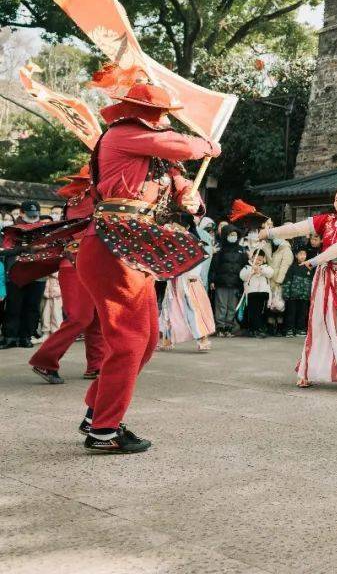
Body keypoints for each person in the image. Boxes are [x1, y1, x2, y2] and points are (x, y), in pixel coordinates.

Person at [78, 81, 219, 454]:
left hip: (135, 249)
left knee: (146, 340)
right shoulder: (124, 134)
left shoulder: (155, 155)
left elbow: (183, 185)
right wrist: (208, 145)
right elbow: (182, 145)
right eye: (158, 114)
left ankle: (97, 412)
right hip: (111, 246)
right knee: (128, 341)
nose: (160, 120)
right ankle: (105, 430)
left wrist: (192, 200)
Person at [261, 185, 337, 389]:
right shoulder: (327, 220)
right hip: (325, 277)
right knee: (318, 322)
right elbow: (297, 228)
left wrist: (315, 260)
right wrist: (270, 232)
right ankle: (308, 371)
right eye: (336, 200)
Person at [28, 166, 105, 383]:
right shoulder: (86, 201)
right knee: (81, 317)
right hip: (75, 264)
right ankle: (45, 361)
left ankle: (96, 366)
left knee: (96, 318)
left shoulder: (88, 199)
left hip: (93, 265)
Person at [159, 217, 215, 352]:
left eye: (177, 227)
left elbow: (199, 262)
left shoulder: (194, 242)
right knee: (169, 310)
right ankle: (167, 340)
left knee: (194, 310)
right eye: (173, 227)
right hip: (174, 281)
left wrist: (191, 275)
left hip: (190, 281)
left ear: (186, 227)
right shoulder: (170, 242)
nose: (174, 230)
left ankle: (203, 339)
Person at [1, 200, 47, 349]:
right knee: (14, 306)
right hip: (16, 272)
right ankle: (10, 337)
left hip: (38, 273)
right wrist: (24, 248)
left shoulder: (46, 229)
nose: (33, 217)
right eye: (29, 214)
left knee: (32, 307)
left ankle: (26, 336)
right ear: (21, 213)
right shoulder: (11, 230)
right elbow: (4, 251)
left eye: (35, 214)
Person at [209, 225, 245, 337]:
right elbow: (214, 266)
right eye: (230, 234)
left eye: (235, 235)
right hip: (222, 282)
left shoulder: (241, 250)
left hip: (235, 283)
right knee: (221, 305)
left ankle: (229, 327)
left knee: (232, 306)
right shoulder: (220, 249)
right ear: (225, 235)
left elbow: (244, 266)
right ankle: (220, 327)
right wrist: (212, 280)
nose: (233, 237)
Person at [239, 250, 273, 338]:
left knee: (261, 311)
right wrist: (252, 270)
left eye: (260, 259)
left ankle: (260, 328)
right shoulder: (247, 267)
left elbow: (270, 273)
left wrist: (261, 270)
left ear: (264, 260)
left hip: (263, 293)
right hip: (252, 293)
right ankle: (254, 329)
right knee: (253, 311)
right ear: (252, 258)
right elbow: (242, 276)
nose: (258, 261)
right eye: (256, 259)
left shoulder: (266, 267)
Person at [282, 247, 314, 337]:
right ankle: (289, 329)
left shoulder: (309, 267)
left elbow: (312, 281)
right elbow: (287, 281)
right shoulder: (292, 267)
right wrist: (286, 293)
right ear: (296, 255)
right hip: (293, 295)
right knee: (291, 313)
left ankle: (300, 329)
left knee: (303, 313)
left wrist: (311, 294)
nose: (303, 256)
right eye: (300, 254)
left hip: (305, 296)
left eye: (304, 254)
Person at [268, 235, 294, 335]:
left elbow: (285, 267)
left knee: (279, 306)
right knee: (273, 305)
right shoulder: (278, 248)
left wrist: (279, 281)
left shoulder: (286, 250)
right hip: (272, 280)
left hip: (279, 282)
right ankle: (272, 327)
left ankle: (279, 328)